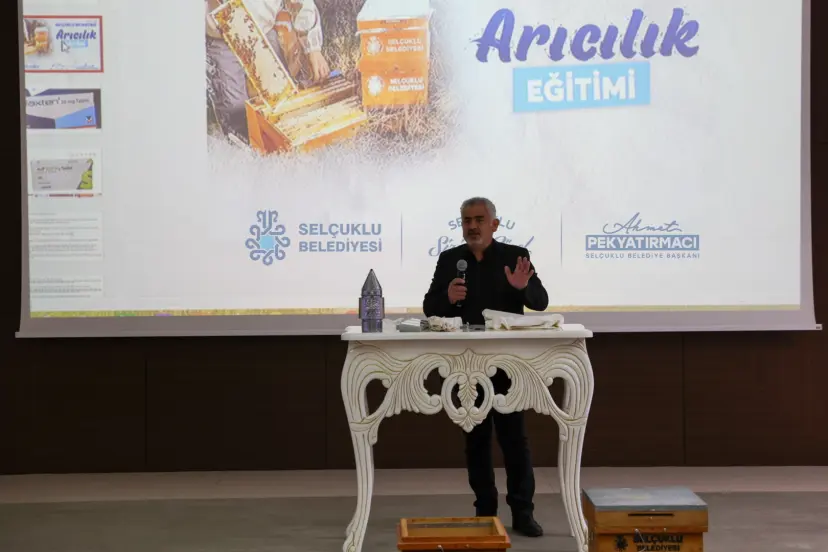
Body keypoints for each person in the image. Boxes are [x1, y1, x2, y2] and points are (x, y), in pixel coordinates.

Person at [423, 197, 548, 538]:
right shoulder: (450, 260)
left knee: (514, 439)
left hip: (507, 363)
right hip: (467, 363)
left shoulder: (515, 256)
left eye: (479, 219)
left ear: (494, 224)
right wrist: (447, 299)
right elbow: (430, 307)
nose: (473, 226)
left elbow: (541, 302)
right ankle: (485, 511)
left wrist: (523, 288)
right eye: (467, 220)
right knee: (476, 439)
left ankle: (523, 512)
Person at [205, 0, 331, 141]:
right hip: (221, 37)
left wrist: (313, 48)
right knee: (235, 114)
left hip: (263, 30)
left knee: (281, 103)